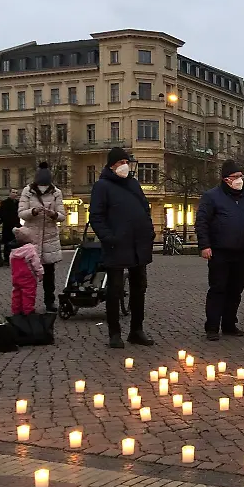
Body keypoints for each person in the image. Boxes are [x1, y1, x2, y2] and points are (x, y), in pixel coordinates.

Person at [89, 148, 155, 348]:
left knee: (139, 288)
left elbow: (145, 208)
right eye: (121, 162)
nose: (125, 165)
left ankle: (136, 330)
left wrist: (149, 231)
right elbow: (96, 217)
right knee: (115, 290)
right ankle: (114, 333)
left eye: (126, 161)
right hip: (116, 245)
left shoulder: (133, 184)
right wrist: (109, 237)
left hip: (138, 245)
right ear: (112, 165)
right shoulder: (102, 186)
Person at [196, 159, 244, 341]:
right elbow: (202, 222)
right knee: (218, 289)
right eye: (235, 176)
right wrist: (205, 245)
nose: (239, 179)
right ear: (226, 179)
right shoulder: (211, 197)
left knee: (235, 290)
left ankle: (230, 324)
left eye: (241, 176)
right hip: (220, 251)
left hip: (242, 252)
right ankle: (212, 327)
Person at [18, 162, 66, 313]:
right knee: (28, 275)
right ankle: (27, 303)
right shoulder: (28, 191)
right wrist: (32, 211)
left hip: (49, 238)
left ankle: (49, 301)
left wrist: (53, 214)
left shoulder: (56, 192)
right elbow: (21, 212)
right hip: (31, 236)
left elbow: (62, 216)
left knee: (49, 274)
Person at [9, 226, 43, 316]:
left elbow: (11, 264)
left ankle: (16, 310)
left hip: (16, 276)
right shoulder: (30, 250)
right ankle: (28, 310)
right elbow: (36, 264)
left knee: (16, 293)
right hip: (29, 277)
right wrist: (40, 274)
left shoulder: (13, 251)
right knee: (29, 294)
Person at [0, 188, 22, 266]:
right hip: (7, 227)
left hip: (16, 226)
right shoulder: (5, 203)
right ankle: (6, 259)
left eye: (16, 192)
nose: (15, 194)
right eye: (13, 192)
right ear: (10, 193)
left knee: (16, 244)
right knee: (7, 244)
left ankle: (15, 258)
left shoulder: (18, 203)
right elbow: (2, 214)